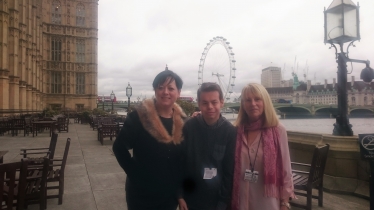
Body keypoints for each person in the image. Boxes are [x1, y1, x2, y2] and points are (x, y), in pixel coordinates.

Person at [112, 68, 187, 210]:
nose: (165, 92)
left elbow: (181, 161)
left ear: (178, 92)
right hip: (141, 194)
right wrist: (136, 174)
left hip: (168, 196)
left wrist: (179, 193)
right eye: (161, 87)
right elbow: (119, 148)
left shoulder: (183, 122)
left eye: (171, 88)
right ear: (155, 90)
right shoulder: (139, 117)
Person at [231, 83, 295, 210]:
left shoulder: (278, 130)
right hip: (240, 201)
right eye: (248, 100)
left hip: (267, 201)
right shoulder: (236, 131)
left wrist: (285, 203)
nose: (253, 104)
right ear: (243, 105)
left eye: (257, 99)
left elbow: (286, 170)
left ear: (265, 102)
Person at [178, 82, 236, 210]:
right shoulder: (189, 127)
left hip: (216, 200)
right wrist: (180, 195)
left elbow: (229, 171)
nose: (210, 106)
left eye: (214, 102)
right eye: (205, 103)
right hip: (190, 199)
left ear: (221, 102)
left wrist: (223, 202)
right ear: (199, 104)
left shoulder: (230, 132)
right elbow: (180, 162)